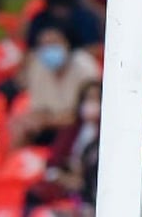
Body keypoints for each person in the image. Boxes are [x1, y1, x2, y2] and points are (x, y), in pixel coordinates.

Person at [11, 23, 101, 148]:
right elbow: (38, 109)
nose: (48, 49)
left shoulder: (85, 66)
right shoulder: (38, 66)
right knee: (20, 125)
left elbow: (87, 113)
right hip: (49, 127)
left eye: (53, 43)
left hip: (78, 130)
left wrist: (48, 120)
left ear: (66, 43)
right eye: (44, 45)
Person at [22, 81, 102, 216]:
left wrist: (79, 181)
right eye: (87, 99)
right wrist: (62, 177)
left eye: (95, 99)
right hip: (63, 186)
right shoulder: (70, 132)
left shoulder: (107, 138)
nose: (91, 105)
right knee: (33, 196)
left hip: (88, 192)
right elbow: (53, 163)